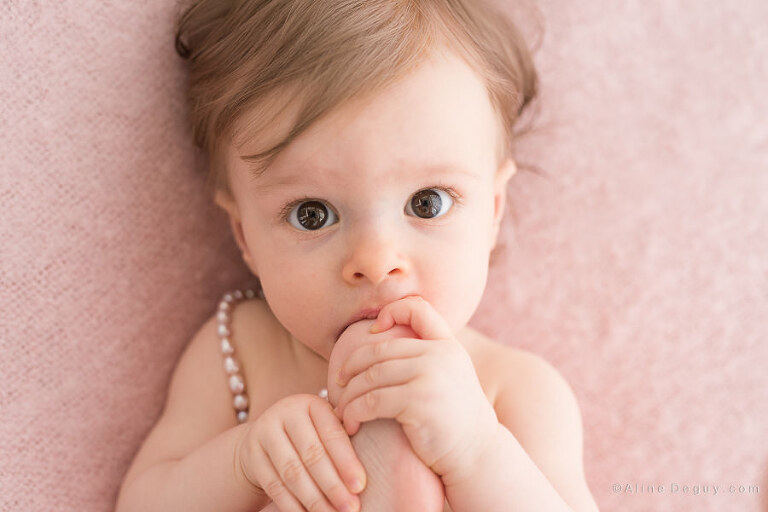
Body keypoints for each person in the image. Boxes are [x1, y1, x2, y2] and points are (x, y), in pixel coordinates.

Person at [116, 0, 599, 511]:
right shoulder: (241, 351)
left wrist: (476, 452)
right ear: (245, 236)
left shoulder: (512, 391)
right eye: (312, 215)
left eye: (427, 203)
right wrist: (241, 462)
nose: (374, 260)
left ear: (493, 211)